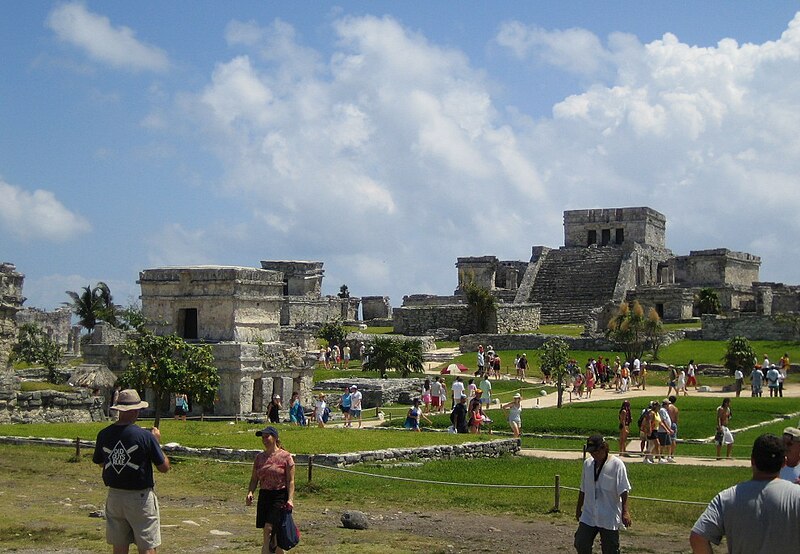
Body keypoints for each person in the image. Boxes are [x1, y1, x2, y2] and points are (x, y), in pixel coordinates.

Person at [690, 433, 800, 553]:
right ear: (784, 462)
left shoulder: (727, 497)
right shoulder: (797, 495)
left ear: (752, 460)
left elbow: (697, 537)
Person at [93, 389, 170, 554]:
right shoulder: (144, 436)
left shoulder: (104, 434)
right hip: (139, 497)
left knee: (119, 546)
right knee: (147, 544)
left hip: (114, 495)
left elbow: (101, 462)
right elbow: (164, 467)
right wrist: (157, 443)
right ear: (136, 410)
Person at [574, 434, 632, 554]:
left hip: (608, 515)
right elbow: (583, 488)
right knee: (581, 542)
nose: (593, 455)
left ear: (604, 448)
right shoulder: (587, 464)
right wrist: (579, 508)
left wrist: (625, 511)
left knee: (610, 549)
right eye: (591, 452)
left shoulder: (617, 465)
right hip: (589, 514)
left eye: (595, 451)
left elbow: (624, 489)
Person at [246, 426, 296, 554]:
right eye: (262, 437)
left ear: (274, 437)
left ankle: (266, 550)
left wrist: (290, 499)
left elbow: (290, 481)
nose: (264, 440)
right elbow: (254, 479)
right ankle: (273, 550)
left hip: (279, 495)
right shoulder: (259, 458)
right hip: (265, 495)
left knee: (269, 528)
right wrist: (250, 492)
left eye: (267, 436)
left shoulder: (286, 457)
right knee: (271, 532)